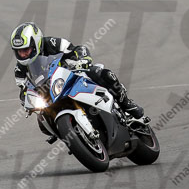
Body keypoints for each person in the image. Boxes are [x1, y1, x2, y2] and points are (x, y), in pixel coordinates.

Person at [10, 22, 145, 119]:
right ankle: (71, 135)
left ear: (36, 43)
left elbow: (78, 49)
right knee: (42, 121)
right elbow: (24, 90)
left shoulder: (52, 43)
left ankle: (126, 103)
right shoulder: (19, 70)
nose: (23, 55)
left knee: (102, 74)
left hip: (70, 75)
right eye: (19, 52)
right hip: (50, 92)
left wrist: (83, 59)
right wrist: (26, 101)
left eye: (25, 50)